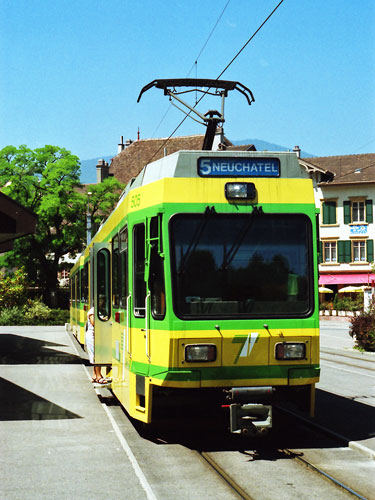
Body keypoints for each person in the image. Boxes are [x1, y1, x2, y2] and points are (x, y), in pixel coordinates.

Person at [86, 307, 110, 384]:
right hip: (92, 336)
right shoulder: (92, 311)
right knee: (97, 356)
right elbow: (93, 322)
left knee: (96, 355)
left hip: (97, 335)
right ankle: (99, 376)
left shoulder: (100, 310)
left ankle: (94, 376)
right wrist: (104, 320)